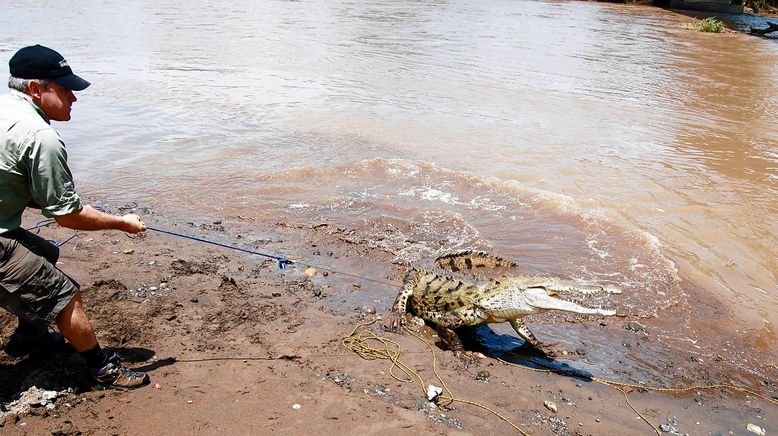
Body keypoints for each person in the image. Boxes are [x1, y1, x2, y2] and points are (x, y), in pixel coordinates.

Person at [1, 45, 149, 389]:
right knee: (64, 295)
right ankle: (102, 368)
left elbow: (16, 180)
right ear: (36, 89)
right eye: (65, 88)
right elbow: (69, 217)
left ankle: (28, 338)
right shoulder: (41, 137)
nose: (74, 98)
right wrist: (122, 223)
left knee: (46, 254)